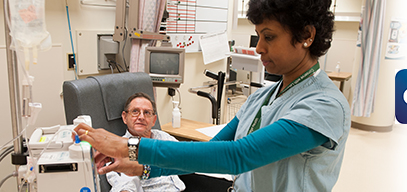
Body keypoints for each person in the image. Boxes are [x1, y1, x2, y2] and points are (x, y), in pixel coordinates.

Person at [74, 0, 349, 191]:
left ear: (307, 35)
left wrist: (130, 148)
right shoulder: (263, 97)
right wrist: (144, 168)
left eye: (269, 37)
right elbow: (208, 151)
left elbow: (238, 156)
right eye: (258, 36)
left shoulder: (324, 106)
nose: (259, 48)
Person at [106, 92, 186, 192]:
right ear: (124, 117)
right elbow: (124, 184)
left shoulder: (162, 136)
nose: (141, 117)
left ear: (154, 120)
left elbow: (185, 156)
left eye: (147, 113)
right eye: (135, 111)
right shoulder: (118, 150)